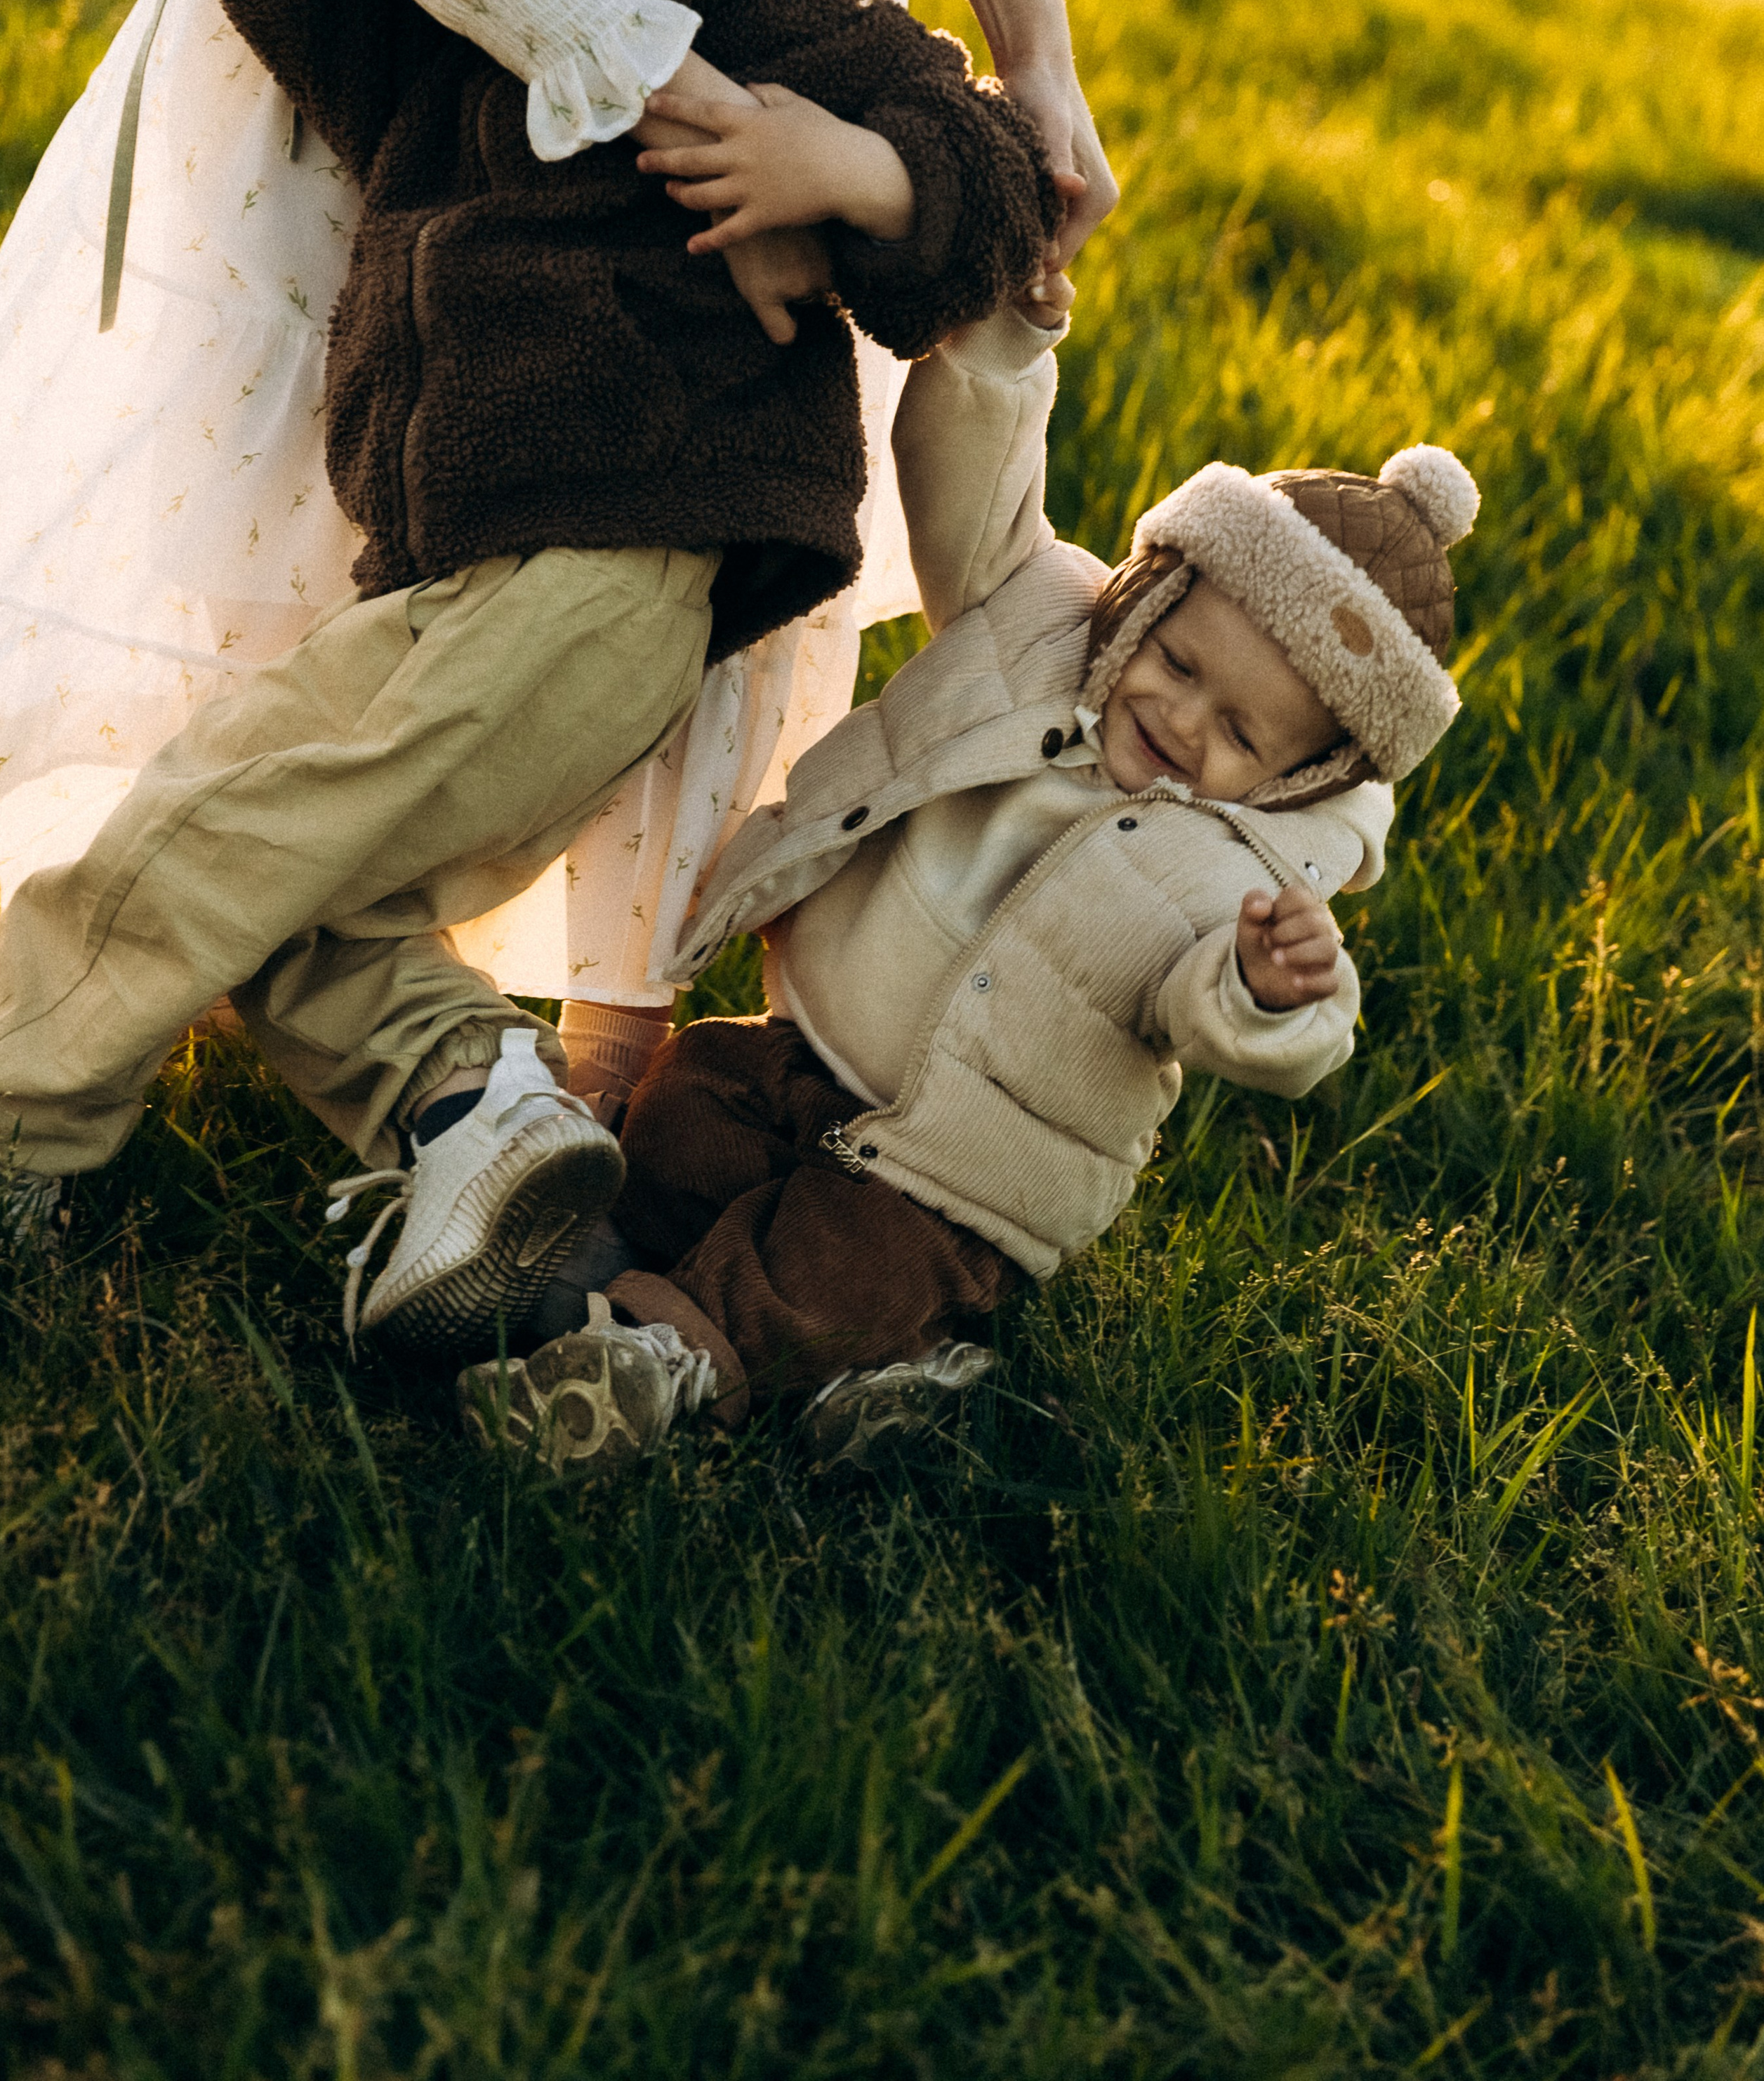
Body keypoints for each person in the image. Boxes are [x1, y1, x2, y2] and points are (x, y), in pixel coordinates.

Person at [0, 0, 1118, 1114]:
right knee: (331, 738)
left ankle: (41, 1067)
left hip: (655, 490)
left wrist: (930, 118)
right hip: (446, 169)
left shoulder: (795, 4)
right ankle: (462, 1114)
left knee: (368, 763)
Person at [457, 329, 1479, 1474]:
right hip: (803, 1057)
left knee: (846, 1261)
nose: (1186, 723)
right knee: (687, 1105)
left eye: (1241, 731)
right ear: (1147, 601)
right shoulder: (1037, 628)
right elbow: (978, 487)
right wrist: (1002, 338)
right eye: (1180, 664)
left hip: (954, 1181)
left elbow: (1226, 1015)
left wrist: (1271, 989)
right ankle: (865, 1367)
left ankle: (660, 1362)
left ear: (1301, 776)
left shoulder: (1250, 876)